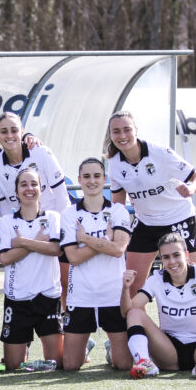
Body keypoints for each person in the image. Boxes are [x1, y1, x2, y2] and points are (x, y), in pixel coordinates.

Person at [106, 110, 196, 296]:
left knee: (191, 279)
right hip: (146, 223)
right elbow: (118, 203)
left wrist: (191, 188)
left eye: (127, 129)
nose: (122, 136)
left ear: (136, 130)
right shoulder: (114, 163)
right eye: (116, 131)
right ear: (110, 135)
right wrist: (114, 228)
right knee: (132, 284)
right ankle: (136, 325)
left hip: (179, 219)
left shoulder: (160, 153)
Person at [121, 233, 196, 379]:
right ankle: (144, 362)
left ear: (186, 255)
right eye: (166, 257)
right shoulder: (157, 279)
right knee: (135, 313)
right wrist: (126, 289)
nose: (172, 261)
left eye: (176, 255)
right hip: (169, 352)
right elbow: (127, 312)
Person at [60, 158, 133, 371]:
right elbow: (73, 257)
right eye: (87, 176)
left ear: (104, 179)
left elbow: (118, 250)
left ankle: (112, 348)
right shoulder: (69, 214)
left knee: (123, 364)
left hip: (113, 293)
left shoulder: (118, 211)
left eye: (97, 176)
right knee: (71, 366)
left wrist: (87, 239)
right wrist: (104, 242)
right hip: (81, 295)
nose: (92, 181)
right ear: (80, 180)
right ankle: (86, 346)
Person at [0, 168, 64, 370]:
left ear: (41, 189)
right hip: (18, 299)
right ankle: (23, 346)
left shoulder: (52, 217)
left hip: (48, 298)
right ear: (16, 192)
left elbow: (55, 249)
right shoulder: (8, 221)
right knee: (13, 366)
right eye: (23, 184)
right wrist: (37, 242)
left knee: (58, 364)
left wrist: (22, 242)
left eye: (33, 184)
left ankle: (80, 347)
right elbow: (6, 258)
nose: (29, 188)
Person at [0, 112, 70, 217]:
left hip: (53, 219)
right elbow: (4, 209)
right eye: (4, 132)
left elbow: (62, 197)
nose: (9, 135)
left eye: (14, 130)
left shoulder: (41, 152)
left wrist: (58, 228)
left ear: (22, 132)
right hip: (24, 226)